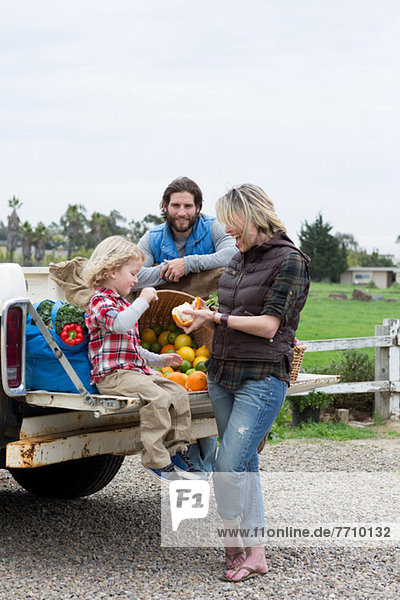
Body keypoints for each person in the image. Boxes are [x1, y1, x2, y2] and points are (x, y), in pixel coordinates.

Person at [182, 184, 310, 582]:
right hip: (222, 373)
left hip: (262, 376)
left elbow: (269, 325)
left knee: (226, 465)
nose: (230, 235)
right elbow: (235, 309)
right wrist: (208, 314)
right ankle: (253, 553)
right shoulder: (239, 259)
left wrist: (217, 320)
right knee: (246, 464)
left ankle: (233, 542)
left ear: (254, 218)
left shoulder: (291, 261)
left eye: (235, 227)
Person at [137, 176, 237, 474]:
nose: (182, 212)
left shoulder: (212, 227)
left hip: (209, 319)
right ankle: (194, 470)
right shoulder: (153, 237)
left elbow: (233, 254)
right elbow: (135, 275)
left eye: (188, 206)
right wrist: (170, 270)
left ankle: (203, 470)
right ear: (165, 207)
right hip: (167, 319)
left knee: (207, 397)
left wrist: (189, 263)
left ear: (198, 208)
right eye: (175, 205)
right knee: (183, 390)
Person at [83, 235, 198, 482]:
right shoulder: (99, 302)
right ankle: (155, 461)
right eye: (133, 273)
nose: (136, 279)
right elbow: (120, 325)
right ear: (112, 271)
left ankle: (175, 451)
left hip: (135, 373)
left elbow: (133, 349)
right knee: (158, 398)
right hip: (113, 376)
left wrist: (160, 360)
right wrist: (143, 300)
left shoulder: (123, 303)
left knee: (178, 394)